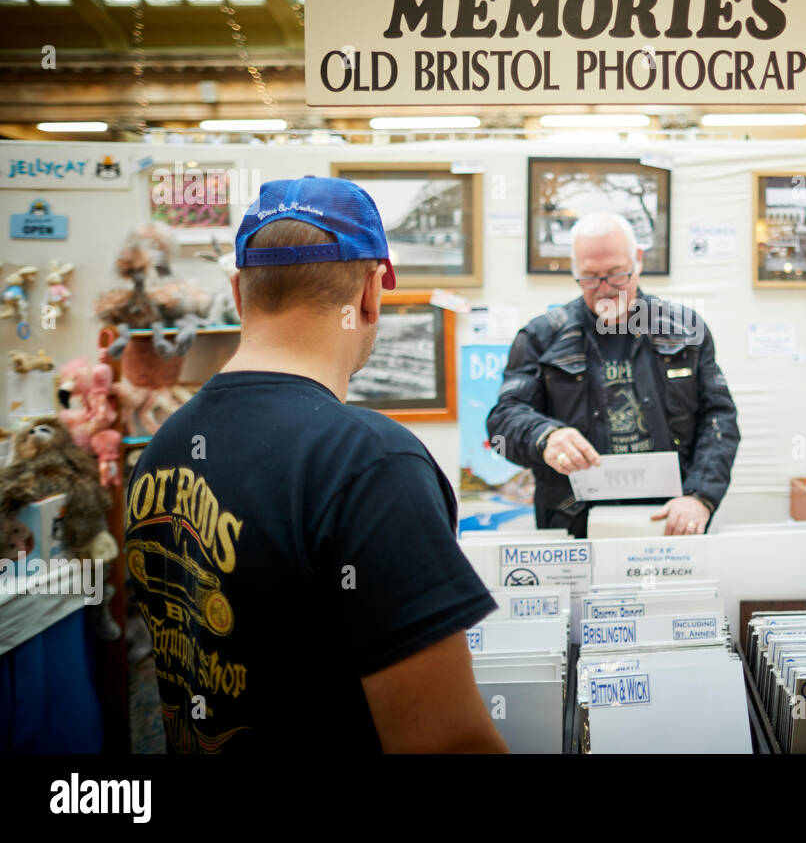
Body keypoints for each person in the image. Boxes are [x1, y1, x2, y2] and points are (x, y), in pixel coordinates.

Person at [125, 176, 506, 754]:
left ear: (238, 291)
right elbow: (448, 743)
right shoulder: (371, 464)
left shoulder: (163, 448)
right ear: (374, 292)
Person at [487, 212, 739, 538]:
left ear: (638, 260)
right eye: (590, 277)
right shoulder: (541, 337)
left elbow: (719, 419)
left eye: (617, 274)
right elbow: (502, 421)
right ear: (574, 270)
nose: (605, 289)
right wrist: (544, 436)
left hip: (670, 518)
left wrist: (700, 496)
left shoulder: (684, 330)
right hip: (572, 522)